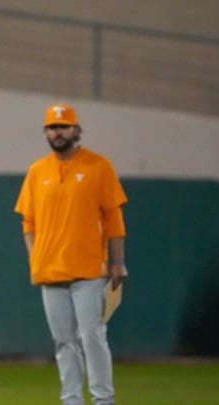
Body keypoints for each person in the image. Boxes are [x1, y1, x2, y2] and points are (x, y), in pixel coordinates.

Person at [14, 103, 129, 405]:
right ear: (46, 132)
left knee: (92, 337)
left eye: (64, 126)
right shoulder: (38, 171)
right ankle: (72, 400)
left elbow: (114, 219)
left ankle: (103, 399)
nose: (58, 131)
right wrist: (34, 256)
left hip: (90, 269)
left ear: (76, 130)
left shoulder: (98, 166)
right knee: (64, 342)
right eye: (53, 127)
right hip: (51, 272)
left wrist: (117, 262)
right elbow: (28, 222)